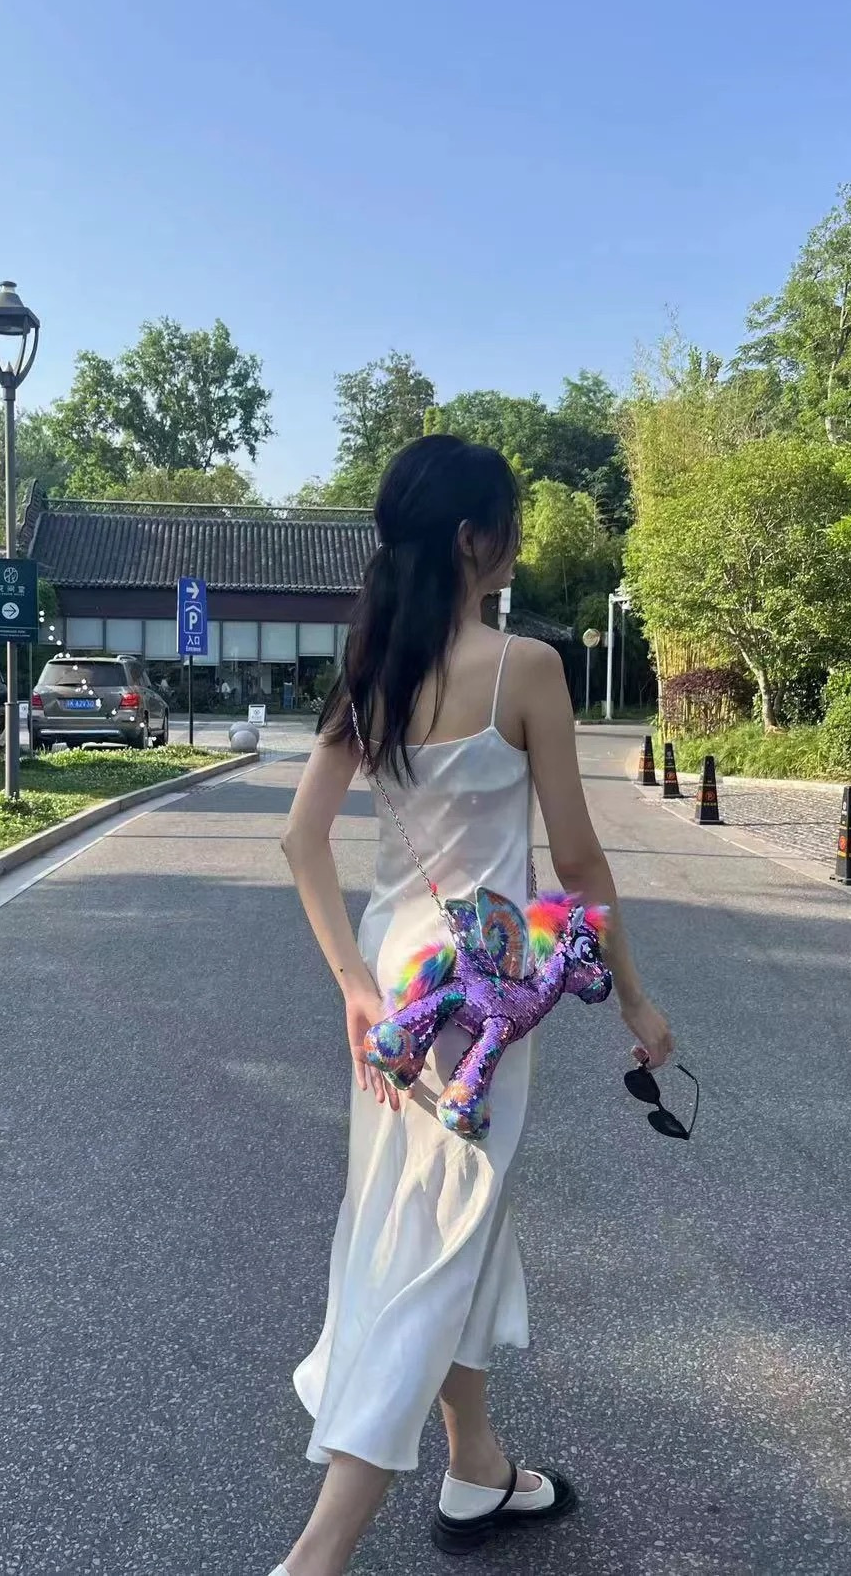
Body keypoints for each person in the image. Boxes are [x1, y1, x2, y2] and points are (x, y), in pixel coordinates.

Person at [272, 434, 673, 1575]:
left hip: (397, 985)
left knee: (443, 1213)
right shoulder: (524, 668)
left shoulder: (375, 666)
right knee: (431, 1240)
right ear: (469, 539)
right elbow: (579, 866)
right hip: (483, 990)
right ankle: (317, 1556)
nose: (517, 544)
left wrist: (355, 988)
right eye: (508, 525)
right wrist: (635, 1000)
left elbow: (300, 839)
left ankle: (475, 1463)